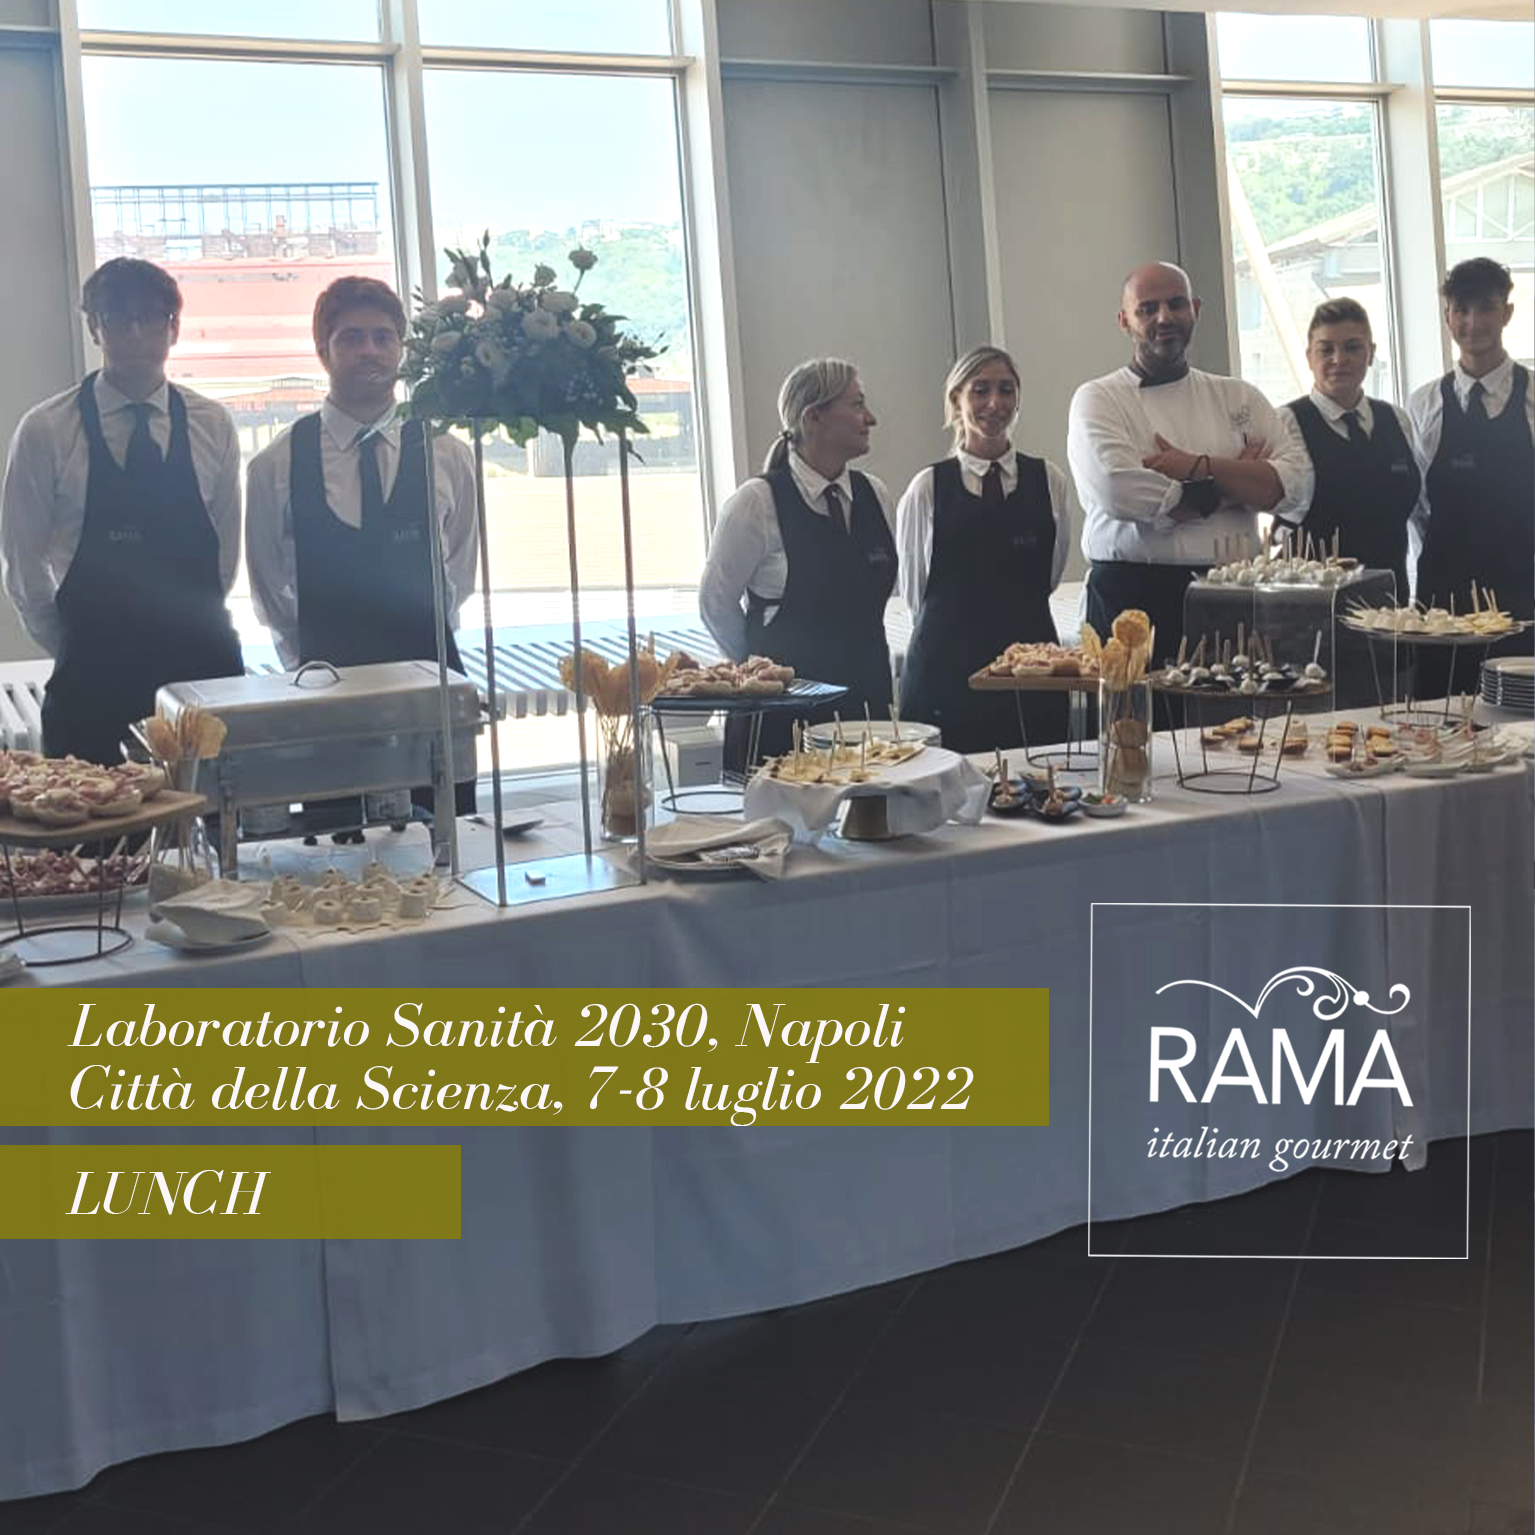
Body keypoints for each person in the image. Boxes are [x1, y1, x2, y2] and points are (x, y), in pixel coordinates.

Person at [245, 275, 479, 824]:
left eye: (382, 337)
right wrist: (314, 665)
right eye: (350, 337)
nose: (369, 351)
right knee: (337, 855)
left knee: (451, 851)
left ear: (401, 348)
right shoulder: (275, 465)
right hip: (329, 698)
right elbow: (270, 591)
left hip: (430, 695)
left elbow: (460, 572)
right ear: (322, 350)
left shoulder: (448, 453)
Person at [0, 258, 244, 765]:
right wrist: (75, 644)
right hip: (92, 684)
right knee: (89, 816)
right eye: (118, 317)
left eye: (150, 317)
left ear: (174, 328)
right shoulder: (46, 430)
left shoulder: (213, 424)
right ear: (95, 326)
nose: (135, 331)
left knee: (213, 814)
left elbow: (224, 554)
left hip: (202, 678)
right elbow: (23, 566)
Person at [1068, 262, 1312, 668]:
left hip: (1231, 595)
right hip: (1131, 596)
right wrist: (1237, 485)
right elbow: (1118, 491)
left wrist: (1193, 467)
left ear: (1195, 309)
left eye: (1176, 304)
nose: (1164, 317)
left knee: (1235, 709)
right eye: (1148, 308)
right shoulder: (1098, 399)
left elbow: (1296, 485)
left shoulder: (1240, 396)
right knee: (1137, 710)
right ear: (1124, 320)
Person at [699, 358, 897, 763]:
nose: (870, 418)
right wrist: (759, 666)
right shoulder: (756, 504)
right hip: (782, 720)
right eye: (857, 405)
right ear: (813, 418)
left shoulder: (875, 495)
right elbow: (715, 604)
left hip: (866, 713)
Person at [896, 345, 1075, 752]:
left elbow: (1048, 575)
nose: (995, 403)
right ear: (956, 400)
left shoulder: (1050, 481)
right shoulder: (927, 488)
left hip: (1030, 674)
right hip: (945, 671)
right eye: (980, 390)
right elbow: (915, 591)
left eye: (1006, 390)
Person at [1407, 258, 1533, 672]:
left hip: (1523, 591)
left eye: (1485, 308)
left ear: (1507, 313)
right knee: (1437, 706)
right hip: (1442, 596)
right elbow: (1417, 507)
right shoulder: (1422, 404)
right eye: (1461, 310)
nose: (1472, 322)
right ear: (1447, 316)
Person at [1277, 297, 1420, 603]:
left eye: (1352, 347)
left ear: (1371, 353)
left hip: (1391, 603)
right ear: (1309, 357)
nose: (1339, 359)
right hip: (1313, 607)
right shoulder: (1286, 423)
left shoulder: (1397, 420)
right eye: (1326, 349)